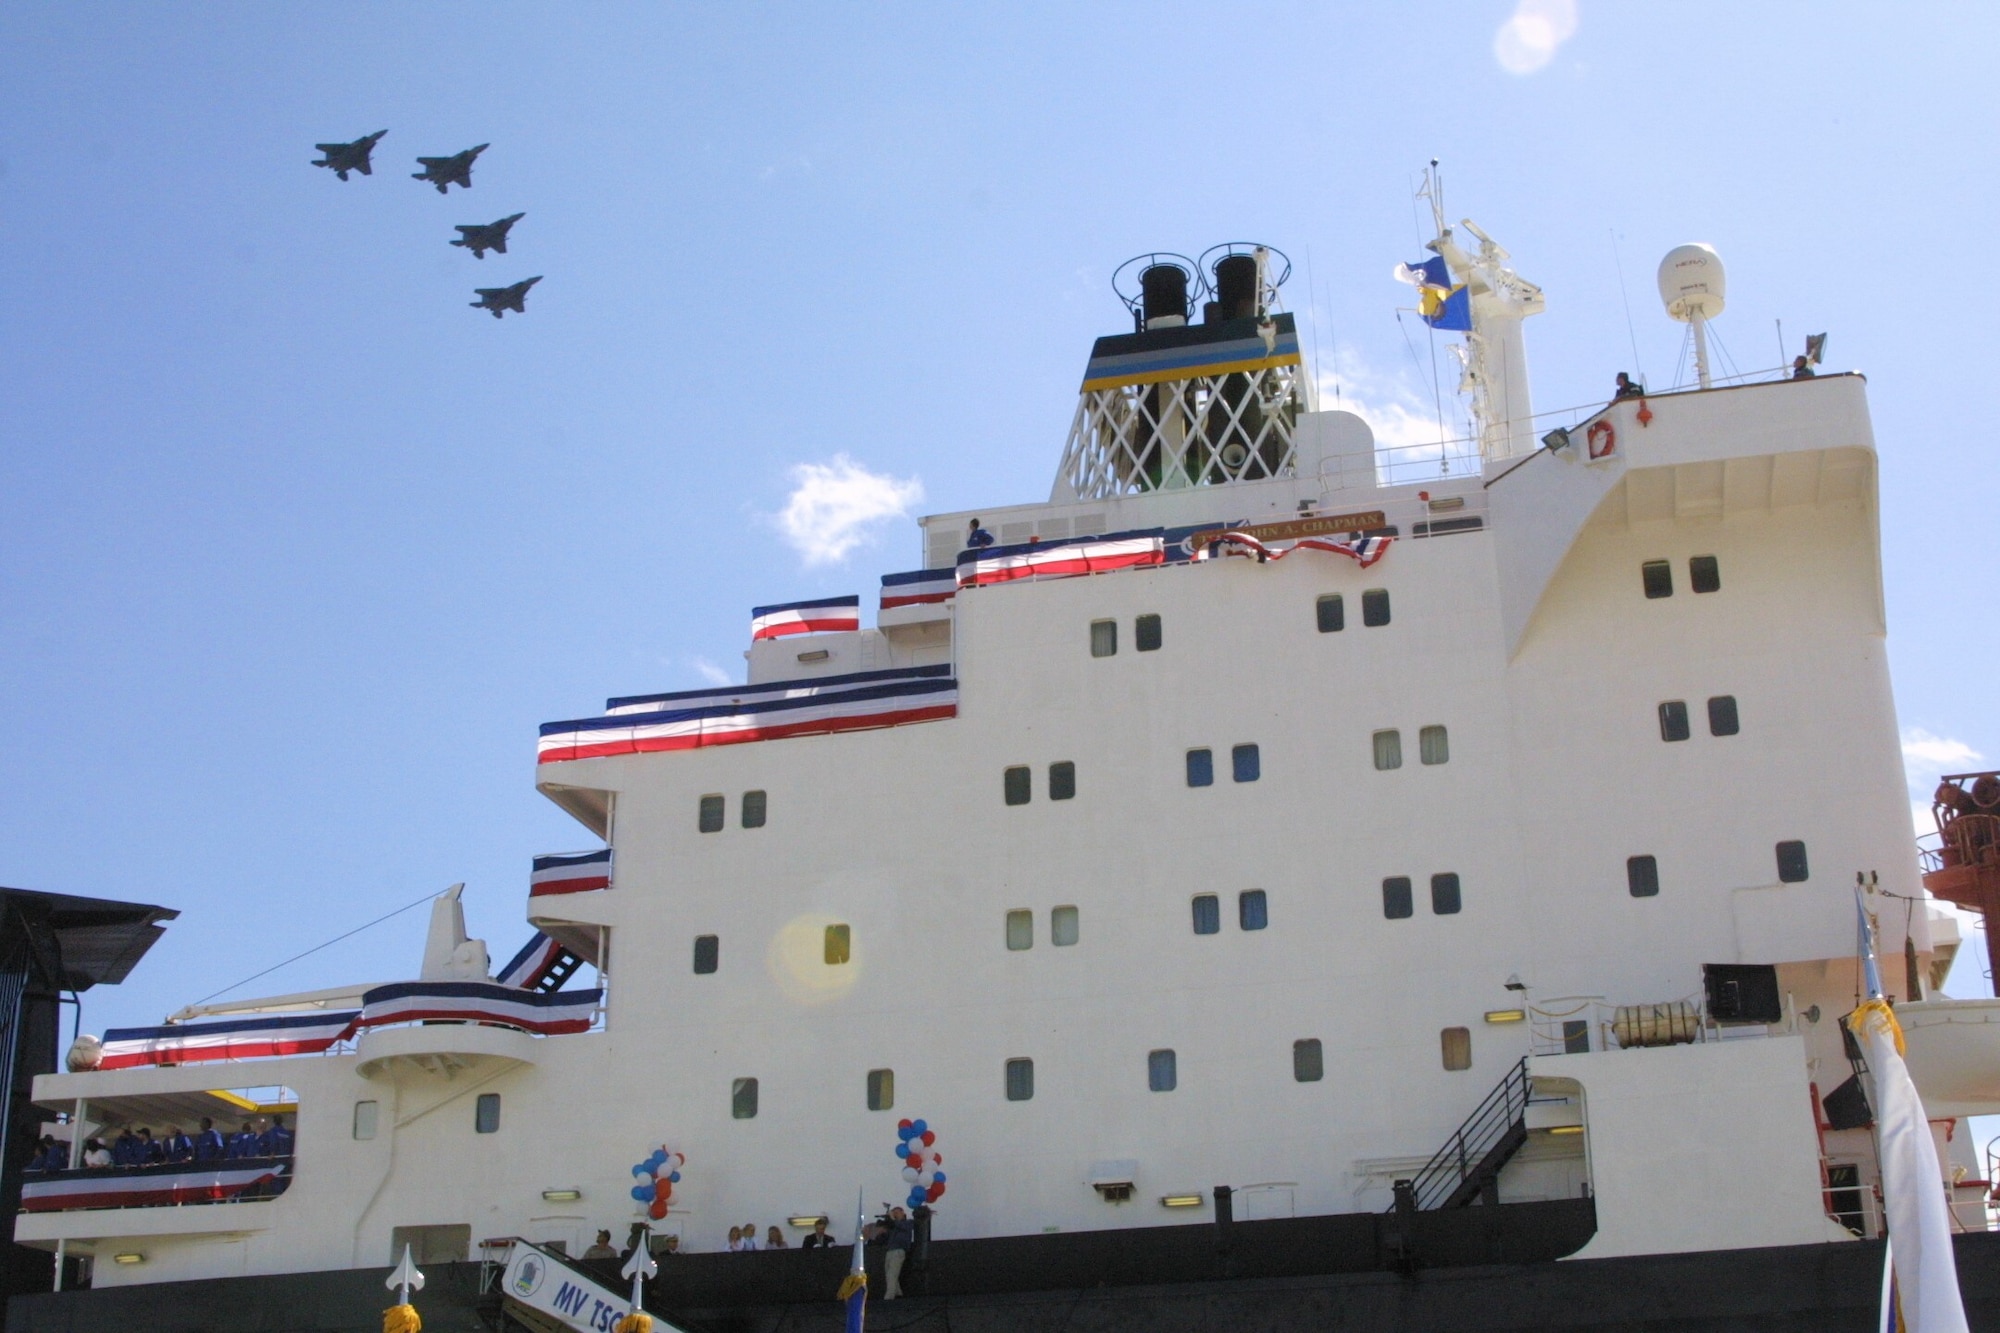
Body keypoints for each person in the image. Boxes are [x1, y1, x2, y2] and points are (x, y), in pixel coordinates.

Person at [882, 1206, 914, 1300]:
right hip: (890, 1250)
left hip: (899, 1250)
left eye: (897, 1212)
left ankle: (889, 1296)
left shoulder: (908, 1223)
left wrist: (892, 1219)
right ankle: (897, 1293)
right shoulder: (894, 1226)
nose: (895, 1214)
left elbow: (902, 1226)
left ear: (903, 1213)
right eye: (894, 1213)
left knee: (892, 1274)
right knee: (889, 1272)